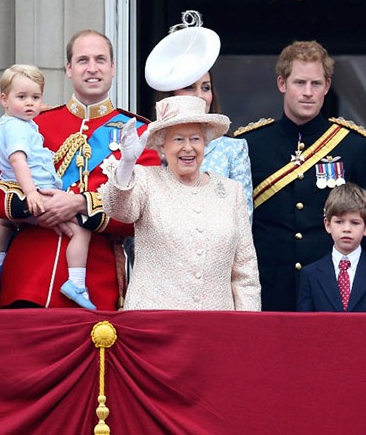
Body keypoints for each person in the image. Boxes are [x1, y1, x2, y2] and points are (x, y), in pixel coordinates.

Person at [0, 30, 162, 309]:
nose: (92, 68)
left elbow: (147, 209)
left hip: (96, 285)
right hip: (27, 279)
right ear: (68, 69)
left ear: (113, 68)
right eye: (82, 60)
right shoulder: (35, 123)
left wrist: (80, 204)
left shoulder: (137, 132)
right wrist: (35, 208)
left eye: (100, 59)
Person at [234, 40, 366, 312]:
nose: (307, 92)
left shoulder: (353, 145)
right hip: (266, 289)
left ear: (327, 87)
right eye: (299, 83)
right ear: (282, 83)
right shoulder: (249, 144)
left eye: (316, 84)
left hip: (332, 290)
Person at [102, 95, 261, 310]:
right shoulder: (145, 180)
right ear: (162, 145)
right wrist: (127, 164)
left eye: (195, 139)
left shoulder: (231, 192)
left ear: (205, 143)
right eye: (178, 139)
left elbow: (245, 273)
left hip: (215, 326)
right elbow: (118, 210)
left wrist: (247, 330)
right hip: (155, 325)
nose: (188, 148)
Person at [0, 64, 95, 309]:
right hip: (38, 193)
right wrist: (30, 194)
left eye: (35, 98)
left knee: (7, 224)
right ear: (69, 68)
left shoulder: (21, 120)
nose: (30, 103)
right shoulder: (21, 125)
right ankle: (77, 283)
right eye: (83, 60)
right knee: (80, 231)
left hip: (29, 192)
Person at [145, 10, 254, 222]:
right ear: (171, 93)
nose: (200, 96)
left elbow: (243, 221)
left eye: (206, 87)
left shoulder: (233, 150)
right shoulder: (149, 148)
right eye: (189, 87)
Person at [297, 183, 366, 312]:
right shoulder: (310, 274)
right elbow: (304, 324)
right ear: (327, 225)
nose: (346, 229)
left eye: (355, 223)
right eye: (339, 222)